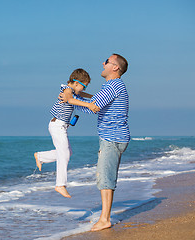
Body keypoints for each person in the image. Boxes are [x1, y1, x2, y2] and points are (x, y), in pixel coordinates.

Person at [59, 54, 130, 231]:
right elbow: (93, 104)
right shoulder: (112, 86)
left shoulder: (114, 85)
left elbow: (93, 107)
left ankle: (105, 219)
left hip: (112, 137)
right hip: (112, 137)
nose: (103, 63)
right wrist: (73, 94)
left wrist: (69, 98)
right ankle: (104, 217)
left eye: (106, 61)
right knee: (104, 176)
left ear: (115, 67)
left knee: (105, 178)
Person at [34, 68, 100, 198]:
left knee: (67, 153)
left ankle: (41, 157)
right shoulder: (67, 90)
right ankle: (60, 185)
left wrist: (93, 97)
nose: (83, 89)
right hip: (57, 125)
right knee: (64, 154)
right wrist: (89, 105)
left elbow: (81, 95)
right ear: (76, 83)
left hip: (60, 126)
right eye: (83, 86)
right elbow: (70, 100)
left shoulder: (73, 90)